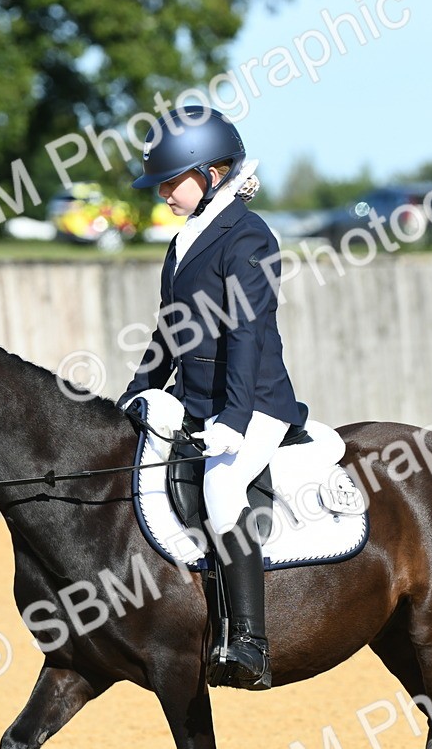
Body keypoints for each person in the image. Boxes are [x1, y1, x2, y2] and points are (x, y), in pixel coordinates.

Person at [117, 105, 300, 690]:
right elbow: (170, 333)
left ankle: (248, 641)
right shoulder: (183, 243)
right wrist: (137, 391)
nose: (164, 193)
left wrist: (235, 420)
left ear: (213, 174)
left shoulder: (247, 237)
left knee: (222, 485)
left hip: (257, 404)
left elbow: (247, 335)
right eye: (161, 184)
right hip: (196, 404)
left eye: (173, 181)